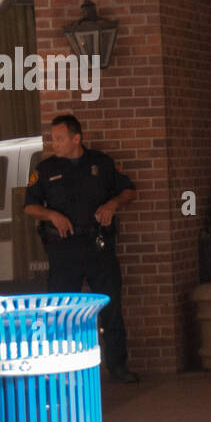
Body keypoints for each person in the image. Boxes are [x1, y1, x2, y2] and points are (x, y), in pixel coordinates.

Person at [24, 114, 139, 383]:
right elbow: (30, 206)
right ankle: (63, 372)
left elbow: (129, 191)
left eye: (61, 138)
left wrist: (112, 205)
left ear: (77, 138)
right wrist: (51, 215)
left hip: (98, 245)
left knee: (110, 307)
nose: (56, 144)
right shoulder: (46, 169)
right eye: (54, 138)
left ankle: (118, 367)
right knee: (62, 310)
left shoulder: (101, 163)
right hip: (63, 250)